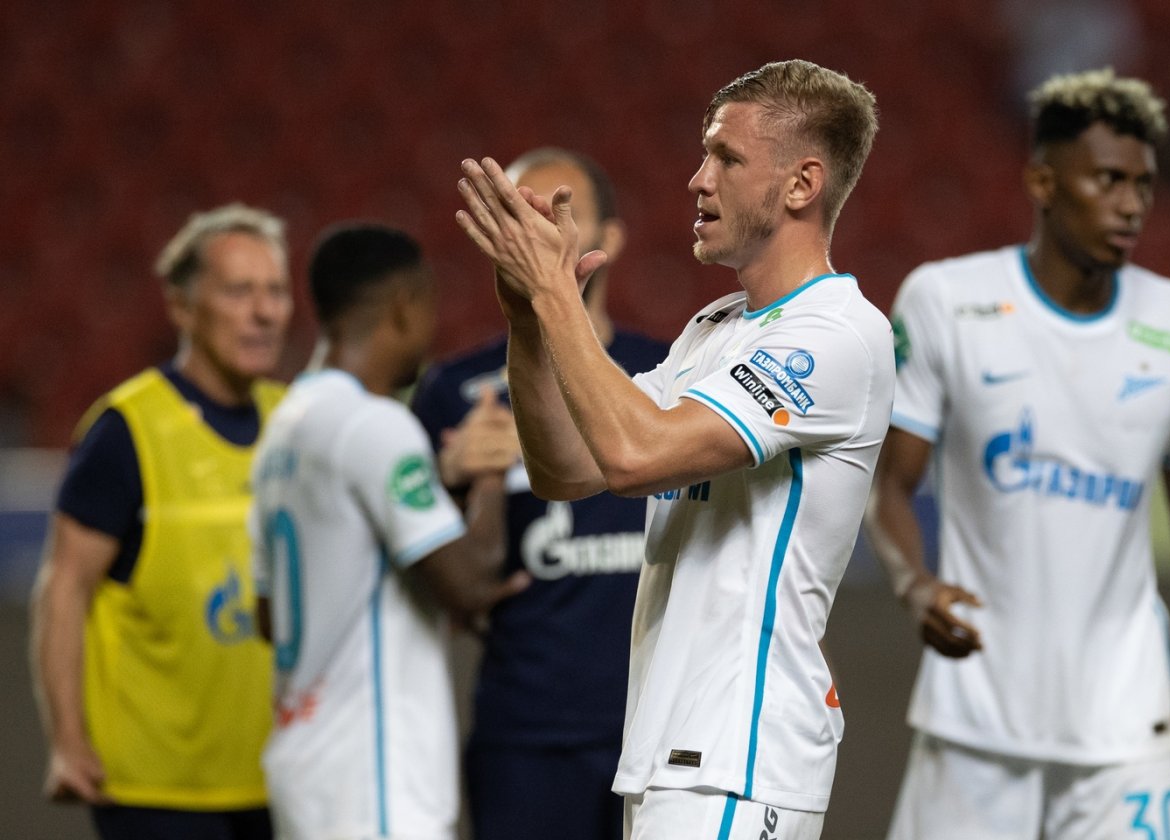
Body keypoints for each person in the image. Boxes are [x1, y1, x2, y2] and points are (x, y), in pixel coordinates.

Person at [455, 59, 890, 840]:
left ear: (802, 185)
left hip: (740, 756)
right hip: (672, 754)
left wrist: (557, 293)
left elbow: (634, 456)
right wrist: (527, 316)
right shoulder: (712, 329)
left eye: (726, 158)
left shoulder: (838, 333)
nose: (697, 179)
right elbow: (566, 469)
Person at [864, 68, 1170, 839]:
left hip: (1124, 728)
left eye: (1143, 184)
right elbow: (890, 485)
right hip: (973, 717)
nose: (1130, 204)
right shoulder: (945, 301)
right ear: (1043, 183)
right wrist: (915, 586)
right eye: (1107, 180)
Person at [412, 147, 669, 840]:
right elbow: (428, 577)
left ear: (612, 238)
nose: (544, 233)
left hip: (661, 728)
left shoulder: (677, 371)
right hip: (526, 733)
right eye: (522, 214)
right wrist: (451, 479)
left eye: (563, 213)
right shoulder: (452, 393)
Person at [248, 223, 528, 840]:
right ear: (404, 305)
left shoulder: (283, 430)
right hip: (372, 780)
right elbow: (470, 582)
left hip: (304, 765)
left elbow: (269, 616)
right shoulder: (375, 424)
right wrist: (490, 469)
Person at [29, 203, 292, 839]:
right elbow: (65, 587)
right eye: (239, 291)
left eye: (277, 291)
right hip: (155, 789)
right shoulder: (126, 431)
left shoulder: (295, 421)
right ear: (181, 307)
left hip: (276, 777)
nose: (264, 312)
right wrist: (67, 739)